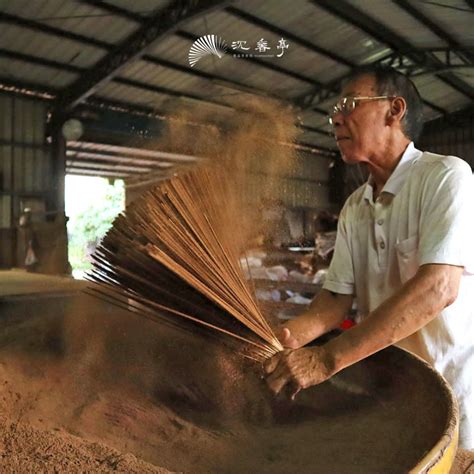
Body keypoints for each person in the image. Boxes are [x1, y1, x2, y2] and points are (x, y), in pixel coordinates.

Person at [264, 65, 474, 450]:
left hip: (457, 395)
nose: (336, 119)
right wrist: (285, 340)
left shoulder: (446, 178)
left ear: (394, 111)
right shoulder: (355, 208)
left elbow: (439, 288)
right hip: (396, 396)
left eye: (348, 105)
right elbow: (335, 300)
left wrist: (326, 360)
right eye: (334, 111)